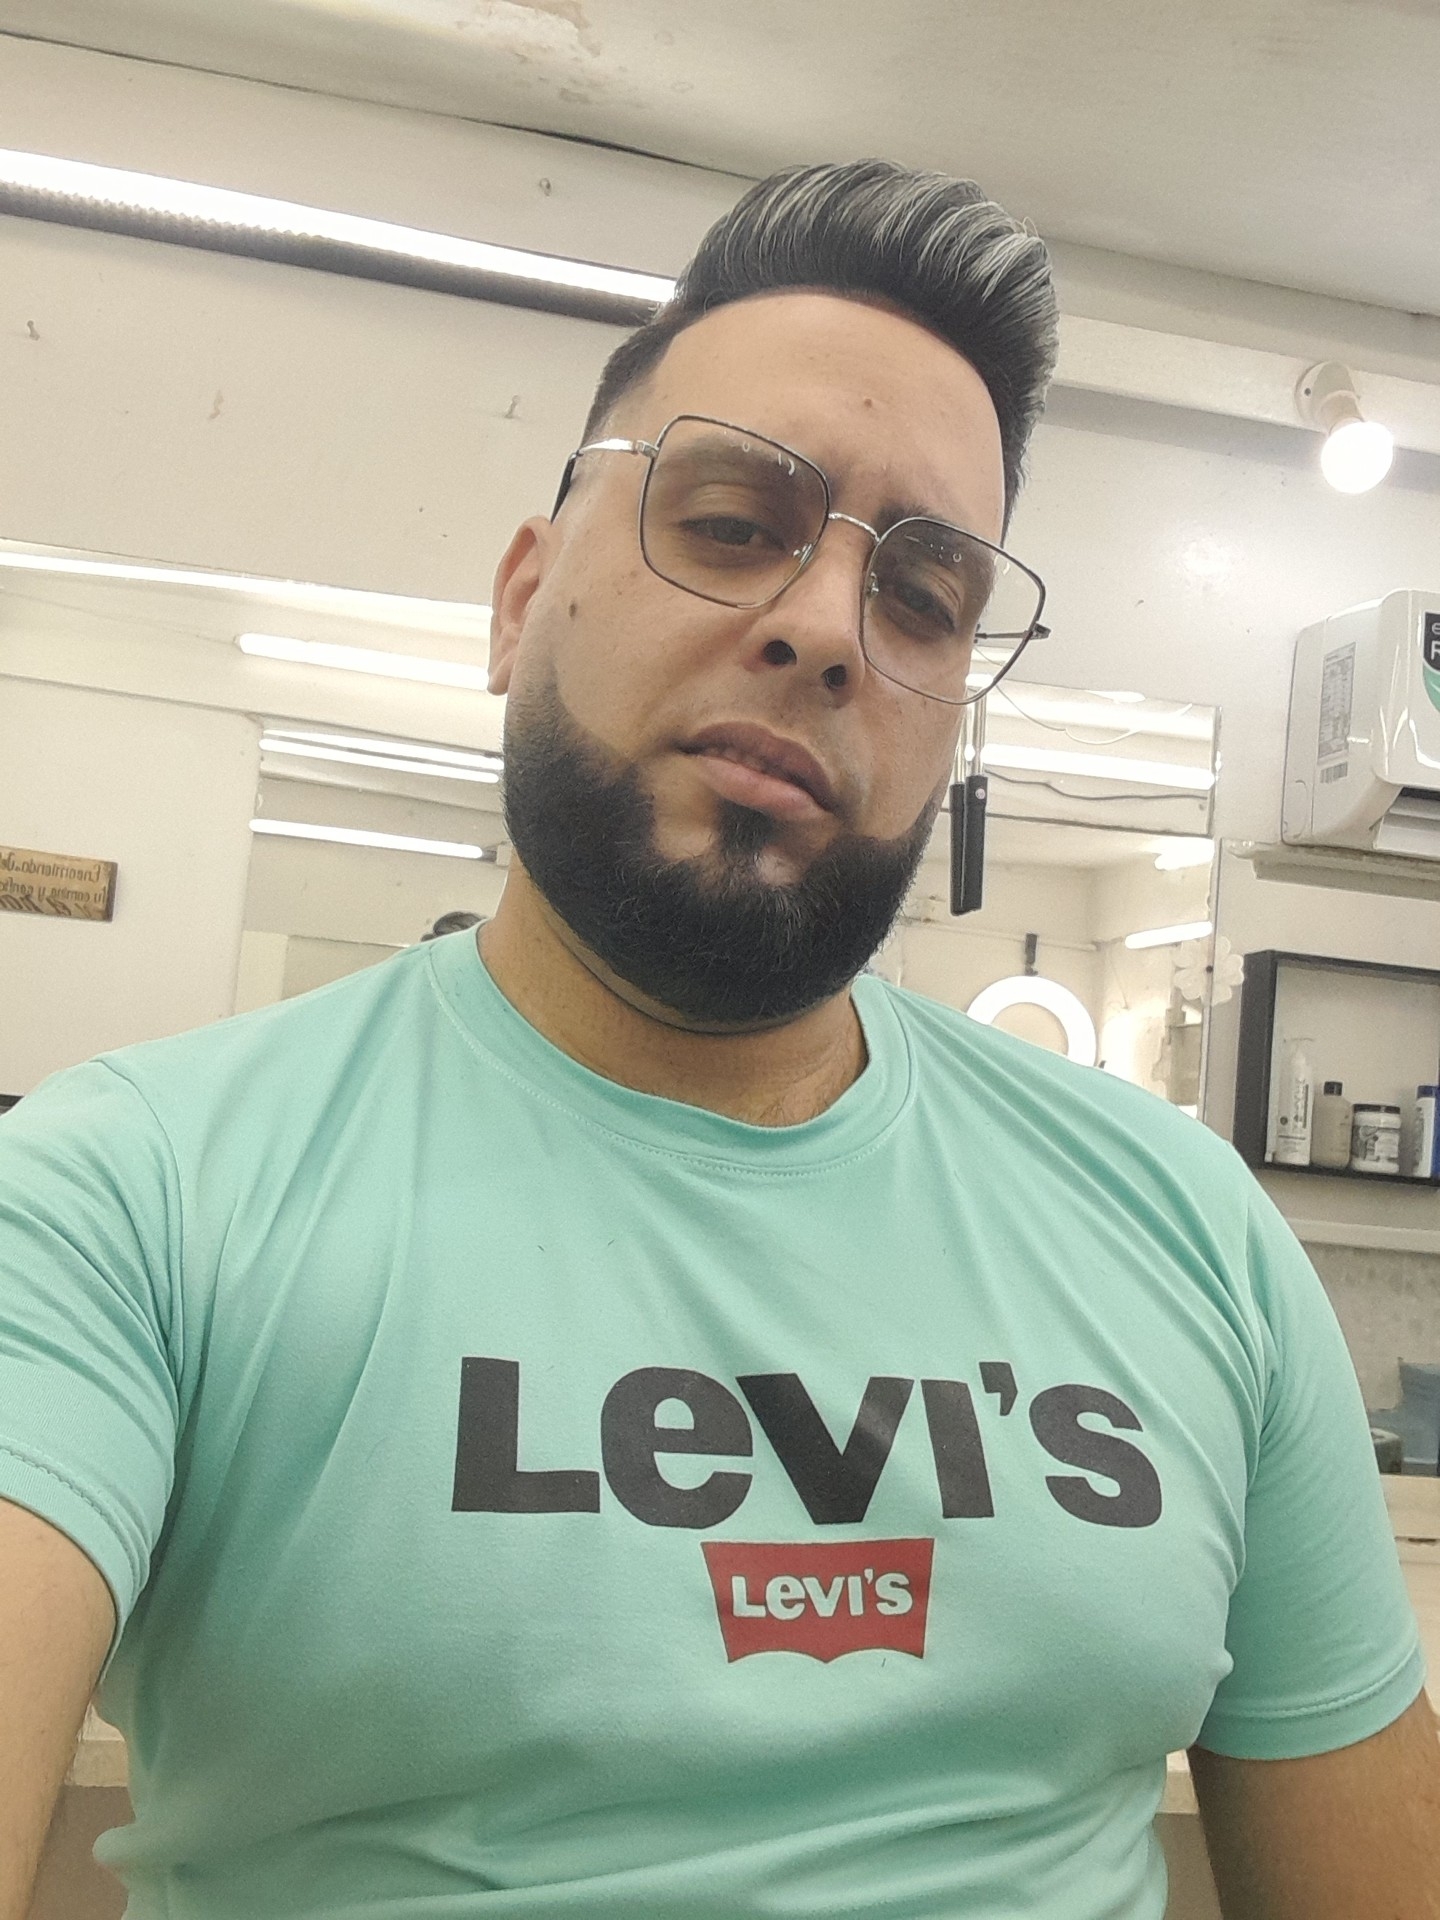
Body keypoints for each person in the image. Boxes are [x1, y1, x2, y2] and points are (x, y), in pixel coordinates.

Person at [2, 160, 1437, 1920]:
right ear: (522, 598)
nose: (828, 627)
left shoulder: (1190, 1229)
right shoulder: (129, 1198)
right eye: (736, 520)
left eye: (924, 597)